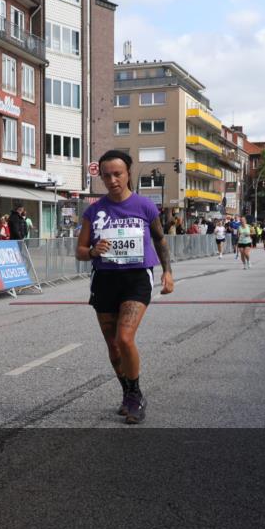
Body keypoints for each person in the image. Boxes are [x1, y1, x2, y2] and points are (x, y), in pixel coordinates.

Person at [76, 150, 173, 425]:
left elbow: (160, 240)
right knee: (113, 346)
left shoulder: (144, 206)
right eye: (106, 175)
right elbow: (80, 251)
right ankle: (129, 393)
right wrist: (93, 251)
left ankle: (136, 395)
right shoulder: (94, 211)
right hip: (105, 280)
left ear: (128, 173)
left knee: (125, 338)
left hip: (136, 278)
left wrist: (168, 272)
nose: (112, 180)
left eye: (117, 174)